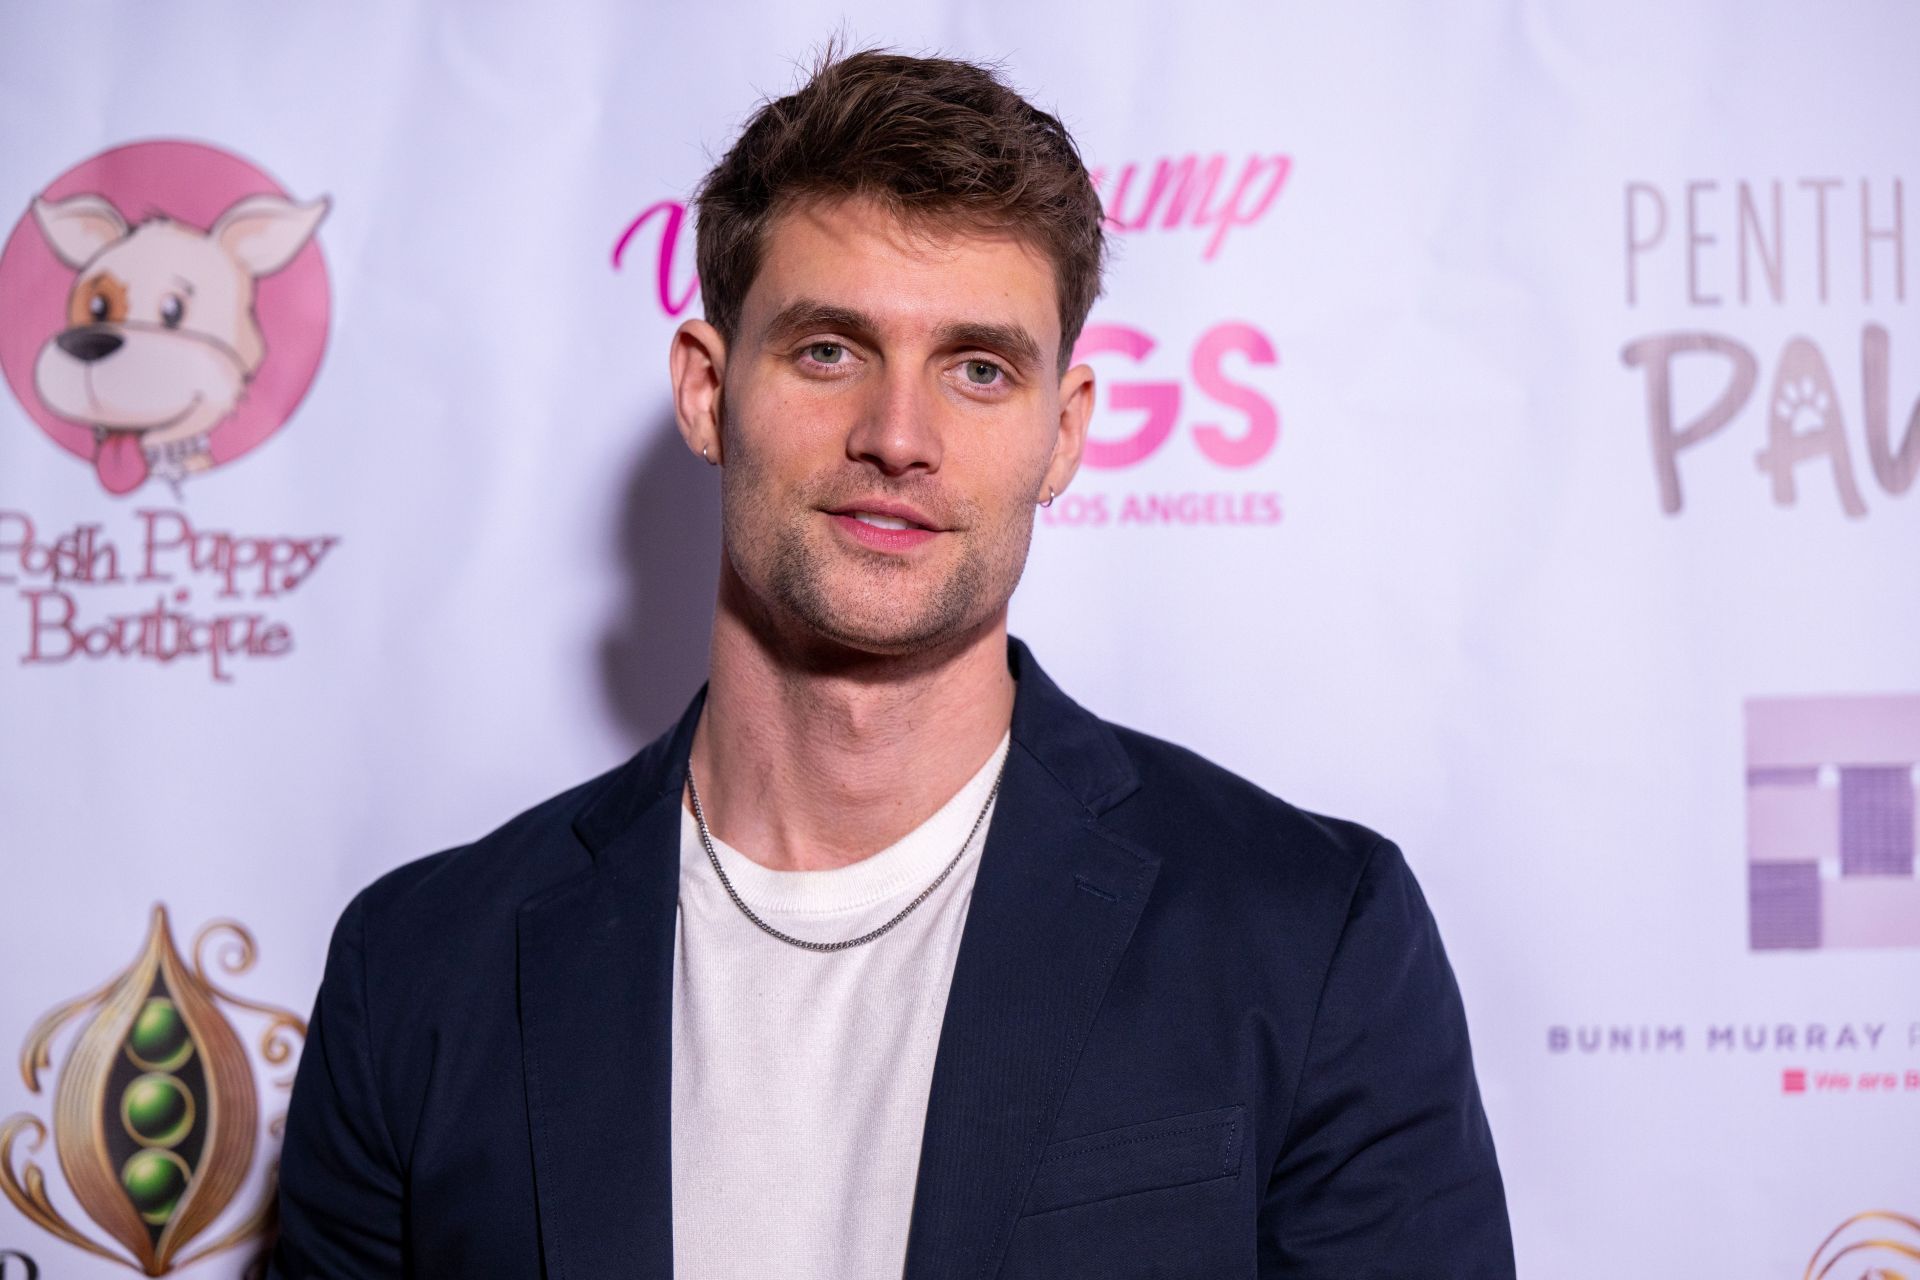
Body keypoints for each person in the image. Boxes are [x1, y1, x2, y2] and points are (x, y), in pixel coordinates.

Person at [269, 48, 1514, 1280]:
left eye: (978, 369)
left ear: (1064, 431)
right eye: (829, 350)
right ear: (706, 391)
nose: (898, 436)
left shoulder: (1308, 935)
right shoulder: (422, 969)